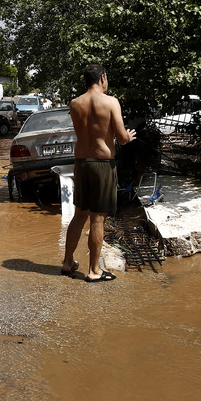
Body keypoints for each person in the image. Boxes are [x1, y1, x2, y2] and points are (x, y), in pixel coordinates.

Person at [62, 64, 136, 282]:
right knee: (97, 218)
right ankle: (94, 270)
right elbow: (122, 138)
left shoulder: (75, 103)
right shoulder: (111, 102)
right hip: (102, 164)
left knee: (79, 214)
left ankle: (67, 262)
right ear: (102, 78)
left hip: (81, 162)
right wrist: (129, 137)